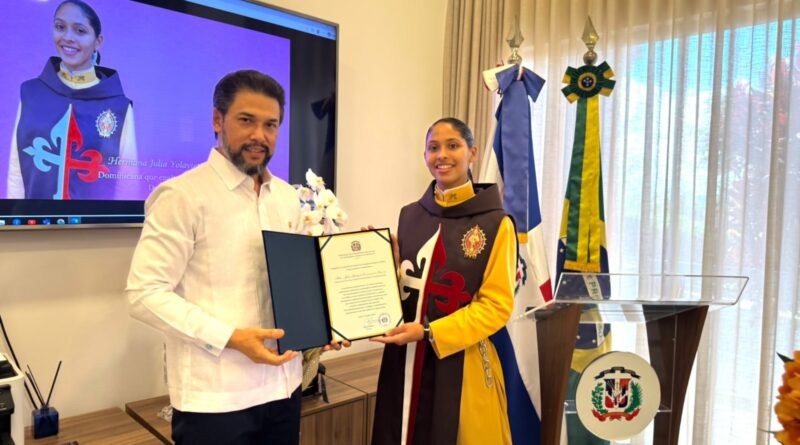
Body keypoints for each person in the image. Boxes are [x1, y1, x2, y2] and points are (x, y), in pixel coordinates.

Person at [126, 70, 345, 445]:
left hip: (284, 388)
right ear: (218, 120)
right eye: (247, 120)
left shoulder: (287, 197)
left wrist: (325, 323)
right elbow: (144, 293)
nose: (260, 135)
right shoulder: (182, 196)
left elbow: (293, 283)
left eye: (270, 124)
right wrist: (230, 337)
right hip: (217, 400)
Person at [370, 118, 517, 444]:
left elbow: (496, 307)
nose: (442, 155)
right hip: (403, 358)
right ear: (424, 155)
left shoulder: (496, 224)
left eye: (453, 146)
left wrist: (429, 332)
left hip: (461, 362)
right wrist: (385, 264)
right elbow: (409, 287)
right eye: (433, 147)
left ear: (472, 152)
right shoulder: (410, 214)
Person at [6, 0, 138, 200]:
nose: (67, 37)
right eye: (60, 27)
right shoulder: (31, 93)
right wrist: (14, 216)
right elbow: (17, 171)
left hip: (95, 221)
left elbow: (128, 184)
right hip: (35, 219)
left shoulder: (118, 106)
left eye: (80, 31)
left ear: (98, 41)